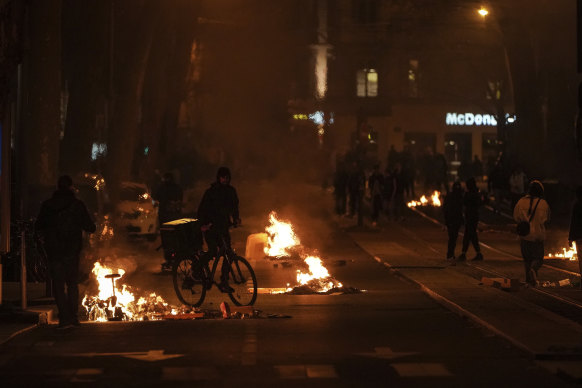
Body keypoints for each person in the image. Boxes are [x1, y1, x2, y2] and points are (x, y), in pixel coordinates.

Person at [35, 175, 96, 328]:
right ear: (71, 187)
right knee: (72, 284)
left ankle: (63, 317)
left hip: (54, 251)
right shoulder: (77, 205)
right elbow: (90, 227)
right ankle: (73, 317)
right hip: (72, 250)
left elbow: (38, 226)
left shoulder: (47, 206)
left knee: (58, 284)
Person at [197, 167, 241, 293]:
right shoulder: (211, 192)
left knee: (228, 254)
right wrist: (203, 224)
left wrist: (236, 219)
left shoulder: (231, 191)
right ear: (219, 178)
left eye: (227, 177)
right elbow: (202, 209)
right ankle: (196, 270)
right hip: (211, 227)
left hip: (223, 227)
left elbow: (234, 207)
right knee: (212, 251)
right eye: (223, 177)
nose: (225, 180)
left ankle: (224, 282)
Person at [513, 180, 550, 287]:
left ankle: (529, 280)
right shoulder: (544, 203)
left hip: (525, 235)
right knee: (538, 258)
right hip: (538, 235)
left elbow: (516, 217)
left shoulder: (520, 202)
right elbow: (548, 219)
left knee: (527, 259)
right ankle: (533, 271)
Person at [457, 177, 484, 262]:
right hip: (474, 216)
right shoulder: (477, 193)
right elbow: (480, 203)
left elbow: (464, 202)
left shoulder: (469, 194)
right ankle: (469, 253)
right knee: (470, 235)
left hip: (470, 216)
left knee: (469, 235)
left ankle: (467, 253)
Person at [443, 181, 464, 263]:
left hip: (452, 219)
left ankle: (450, 253)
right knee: (453, 237)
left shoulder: (452, 196)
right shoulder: (458, 196)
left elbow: (445, 208)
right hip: (454, 219)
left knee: (452, 237)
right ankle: (450, 254)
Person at [568, 186, 582, 289]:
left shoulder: (577, 205)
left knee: (581, 259)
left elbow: (574, 223)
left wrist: (570, 238)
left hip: (580, 237)